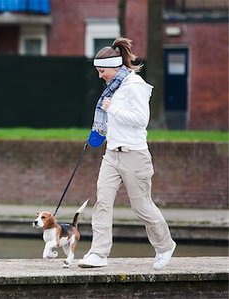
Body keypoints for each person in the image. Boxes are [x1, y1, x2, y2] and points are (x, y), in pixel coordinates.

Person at [78, 38, 176, 270]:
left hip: (135, 156)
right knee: (102, 202)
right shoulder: (114, 87)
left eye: (102, 71)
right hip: (111, 154)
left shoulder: (135, 86)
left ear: (114, 67)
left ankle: (165, 246)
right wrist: (99, 133)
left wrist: (113, 108)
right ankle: (98, 253)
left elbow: (141, 121)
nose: (100, 75)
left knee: (141, 207)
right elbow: (113, 121)